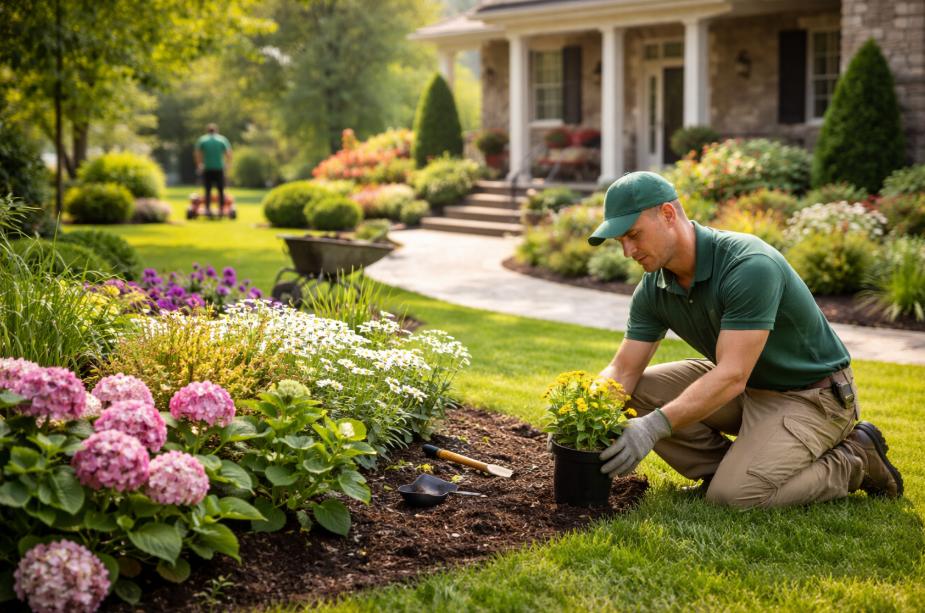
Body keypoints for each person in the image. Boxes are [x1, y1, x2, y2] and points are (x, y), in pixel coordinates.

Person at [560, 171, 902, 509]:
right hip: (750, 388)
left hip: (812, 396)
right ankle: (724, 473)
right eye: (620, 241)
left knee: (732, 499)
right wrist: (579, 418)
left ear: (667, 215)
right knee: (636, 393)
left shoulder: (748, 265)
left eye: (633, 234)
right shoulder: (654, 288)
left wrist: (652, 427)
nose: (627, 251)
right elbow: (622, 368)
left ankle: (856, 459)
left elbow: (732, 375)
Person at [194, 124, 232, 217]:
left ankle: (207, 209)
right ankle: (221, 209)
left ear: (207, 131)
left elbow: (197, 153)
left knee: (207, 190)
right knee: (221, 189)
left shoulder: (203, 139)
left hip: (207, 168)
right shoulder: (222, 139)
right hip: (219, 168)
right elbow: (228, 152)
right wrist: (227, 164)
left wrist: (199, 164)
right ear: (216, 131)